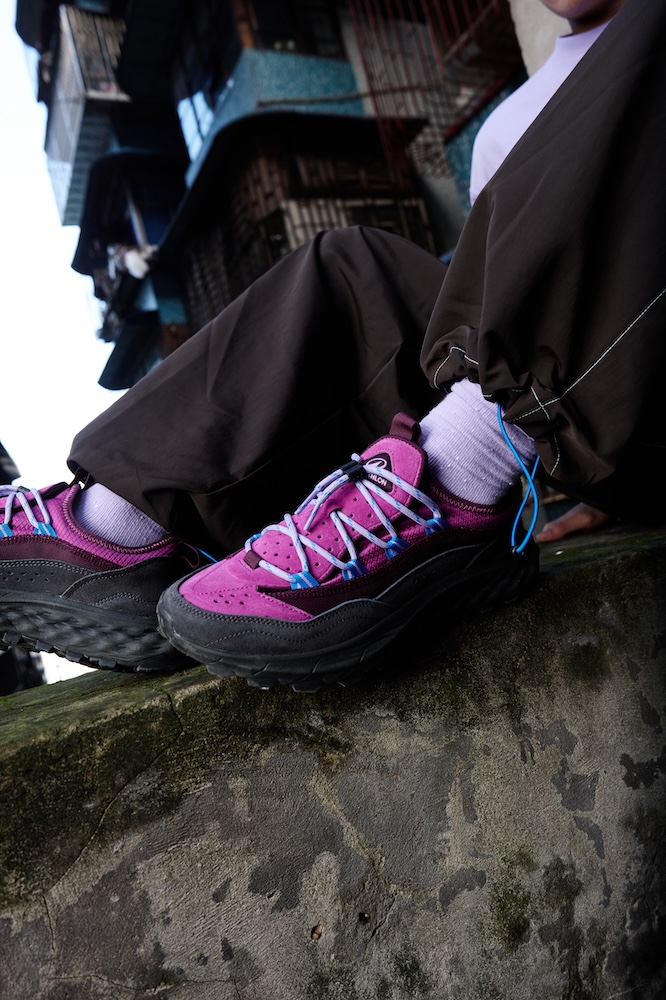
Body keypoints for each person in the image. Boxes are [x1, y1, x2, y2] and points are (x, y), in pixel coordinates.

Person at [1, 0, 663, 689]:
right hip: (596, 424)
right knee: (353, 268)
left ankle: (462, 471)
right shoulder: (508, 125)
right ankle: (111, 536)